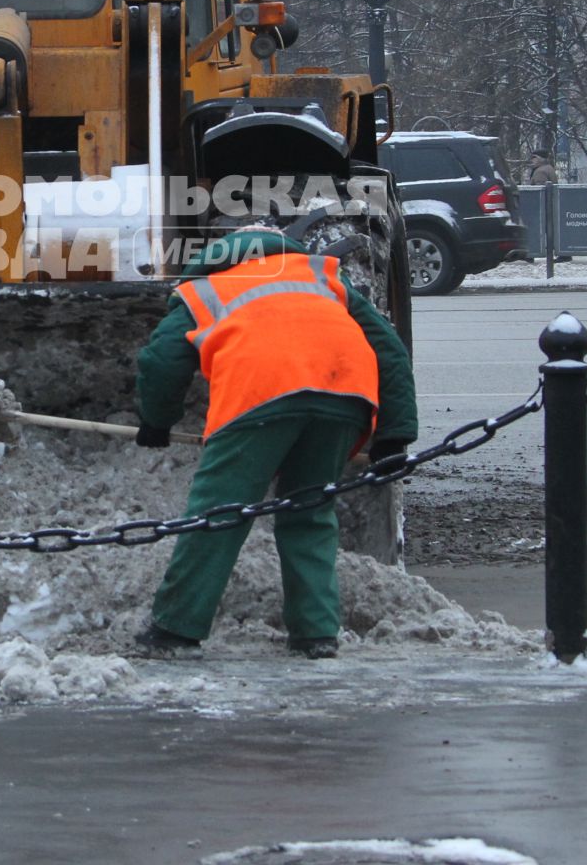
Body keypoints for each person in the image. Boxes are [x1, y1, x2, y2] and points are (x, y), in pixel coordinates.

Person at [131, 221, 418, 661]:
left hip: (258, 394)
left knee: (218, 514)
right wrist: (393, 436)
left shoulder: (204, 289)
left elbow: (163, 359)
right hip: (344, 392)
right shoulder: (322, 276)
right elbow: (389, 349)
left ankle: (176, 628)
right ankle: (316, 633)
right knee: (310, 513)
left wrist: (156, 422)